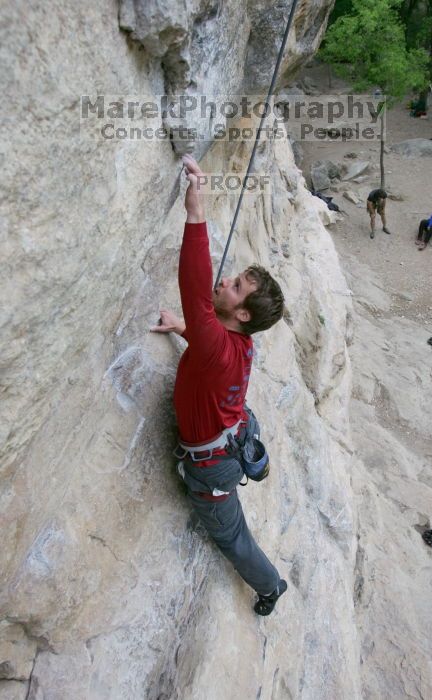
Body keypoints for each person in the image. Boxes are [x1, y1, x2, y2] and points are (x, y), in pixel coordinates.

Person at [151, 154, 287, 615]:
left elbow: (193, 285)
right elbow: (206, 337)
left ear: (242, 315)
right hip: (231, 432)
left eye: (235, 286)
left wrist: (196, 211)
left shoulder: (219, 345)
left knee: (231, 535)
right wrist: (183, 329)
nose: (225, 280)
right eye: (233, 278)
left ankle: (270, 586)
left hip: (213, 468)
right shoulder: (236, 344)